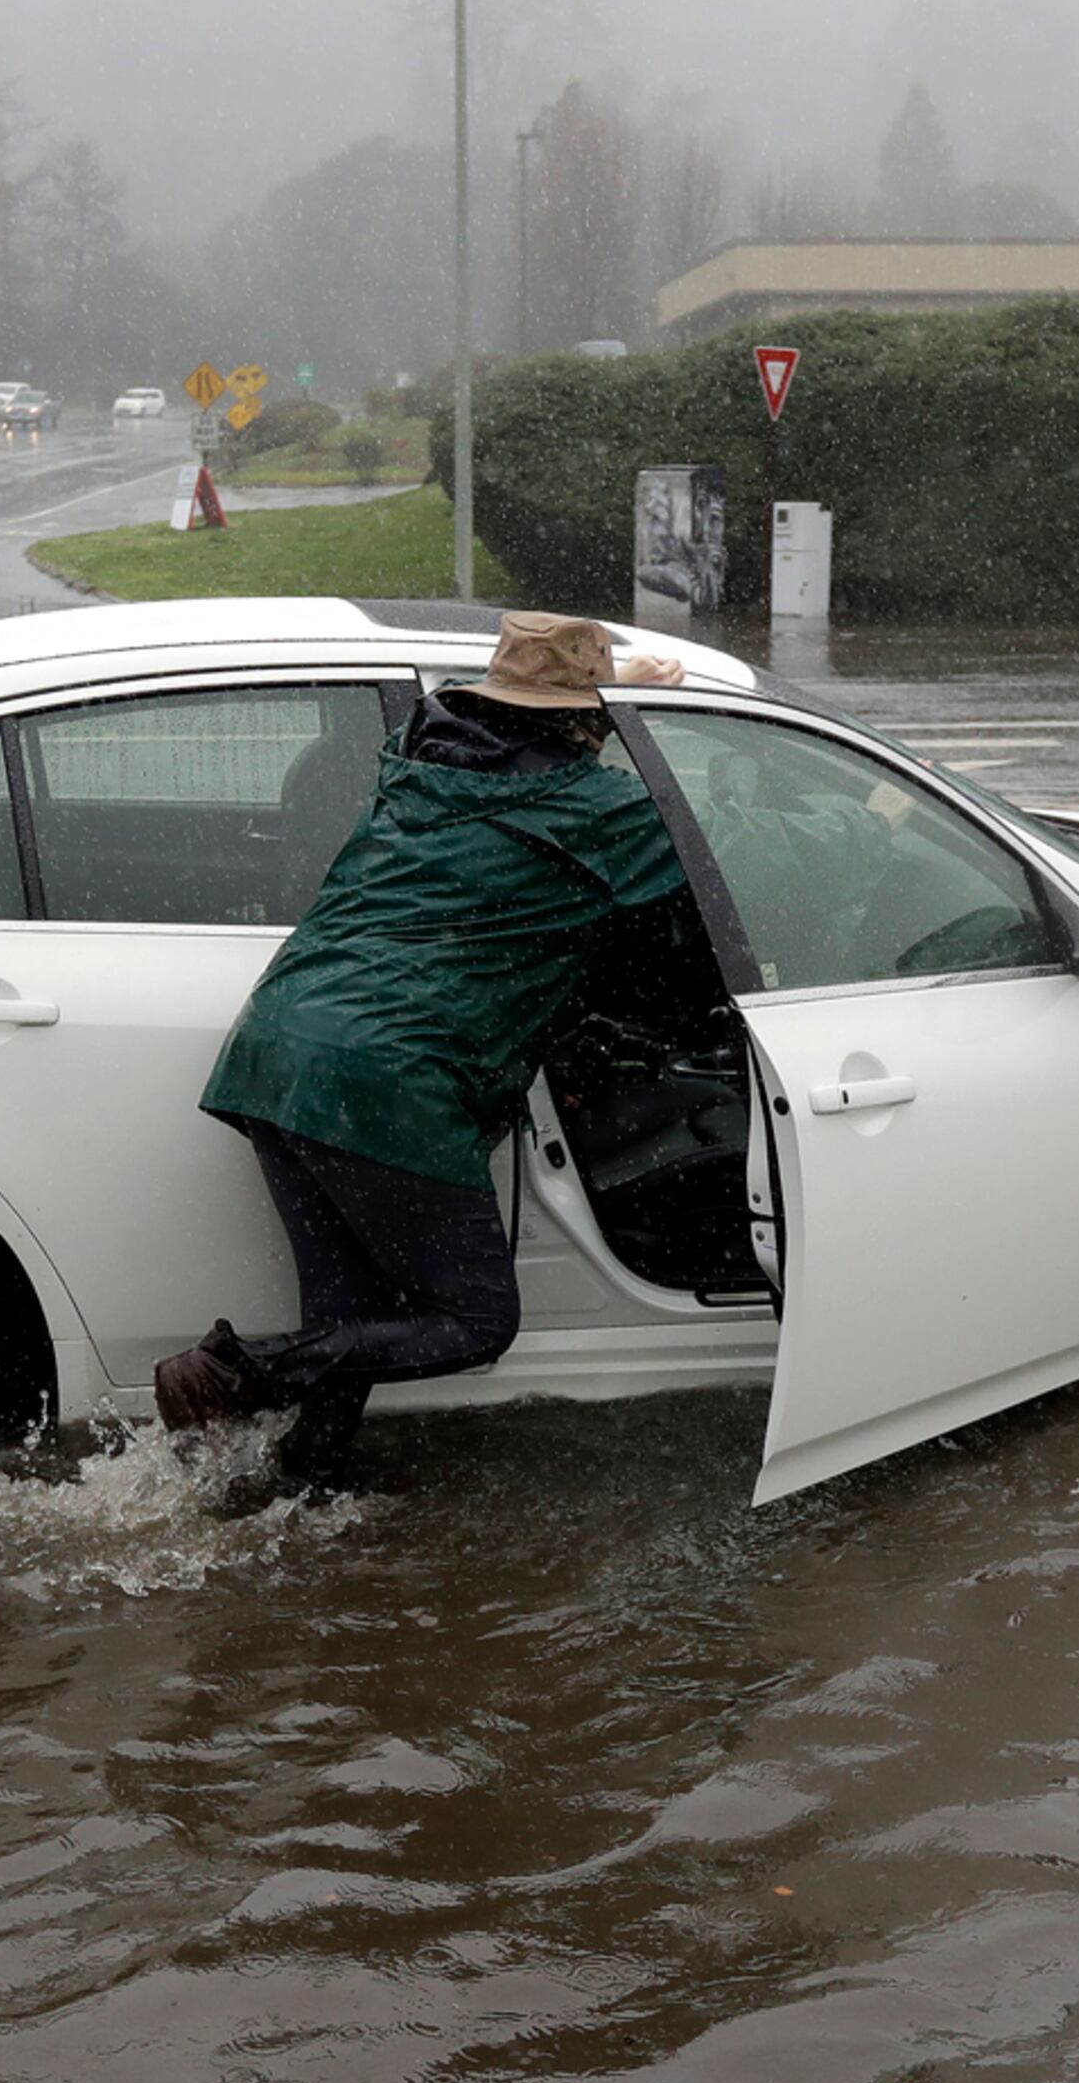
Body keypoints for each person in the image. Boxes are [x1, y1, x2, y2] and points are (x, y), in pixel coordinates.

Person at [167, 611, 689, 1484]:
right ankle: (239, 1370)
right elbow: (725, 860)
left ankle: (307, 1485)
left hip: (278, 1044)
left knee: (348, 1316)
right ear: (583, 722)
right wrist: (871, 815)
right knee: (477, 1319)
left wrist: (622, 680)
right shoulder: (591, 810)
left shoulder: (422, 763)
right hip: (387, 1076)